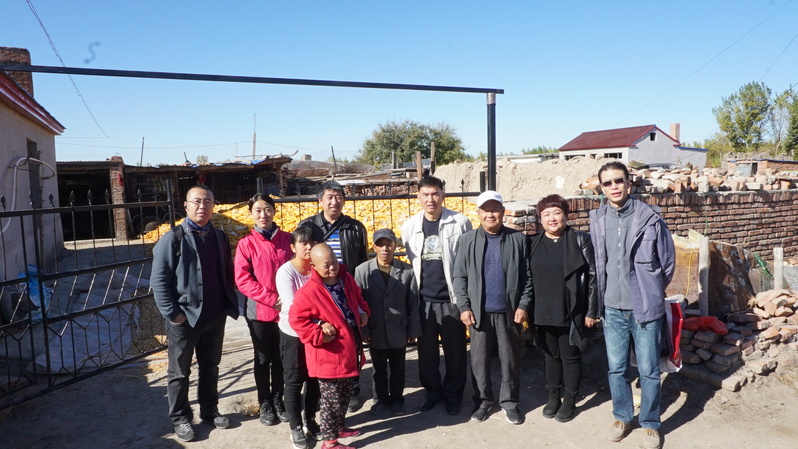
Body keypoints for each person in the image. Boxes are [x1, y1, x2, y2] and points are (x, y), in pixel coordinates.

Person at [589, 161, 675, 449]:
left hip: (644, 308)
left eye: (618, 181)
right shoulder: (597, 219)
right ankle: (622, 416)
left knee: (649, 369)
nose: (613, 187)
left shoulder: (650, 218)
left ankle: (650, 423)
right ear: (601, 188)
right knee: (617, 368)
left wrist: (651, 291)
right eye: (607, 183)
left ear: (629, 183)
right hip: (611, 308)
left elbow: (667, 263)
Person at [152, 185, 240, 442]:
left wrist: (226, 303)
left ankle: (210, 411)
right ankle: (181, 418)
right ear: (186, 205)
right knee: (179, 372)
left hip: (215, 315)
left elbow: (227, 272)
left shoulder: (220, 237)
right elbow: (159, 281)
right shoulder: (173, 239)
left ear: (214, 206)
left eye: (208, 201)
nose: (203, 206)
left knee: (210, 367)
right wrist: (173, 314)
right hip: (185, 318)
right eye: (197, 201)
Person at [452, 191, 532, 425]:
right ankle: (483, 401)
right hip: (478, 313)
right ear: (478, 213)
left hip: (509, 311)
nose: (490, 214)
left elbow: (527, 277)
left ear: (502, 211)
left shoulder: (517, 240)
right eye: (485, 210)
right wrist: (464, 306)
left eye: (495, 209)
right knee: (479, 360)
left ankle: (510, 402)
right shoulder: (468, 240)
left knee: (510, 359)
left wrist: (523, 304)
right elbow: (459, 277)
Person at [400, 175, 472, 415]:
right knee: (427, 353)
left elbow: (465, 260)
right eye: (426, 194)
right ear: (418, 197)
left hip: (451, 299)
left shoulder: (459, 222)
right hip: (424, 301)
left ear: (443, 195)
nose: (430, 199)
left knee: (456, 352)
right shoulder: (409, 226)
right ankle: (432, 392)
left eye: (435, 193)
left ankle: (454, 395)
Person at [289, 244, 370, 449]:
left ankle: (338, 426)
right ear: (314, 266)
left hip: (350, 348)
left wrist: (363, 312)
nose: (332, 267)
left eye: (334, 261)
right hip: (329, 354)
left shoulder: (345, 279)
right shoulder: (309, 291)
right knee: (331, 400)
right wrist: (318, 333)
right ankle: (330, 442)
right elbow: (297, 320)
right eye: (326, 265)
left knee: (345, 393)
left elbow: (358, 298)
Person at [298, 180, 369, 410]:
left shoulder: (355, 228)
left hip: (345, 289)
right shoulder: (308, 226)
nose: (334, 201)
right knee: (328, 342)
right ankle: (324, 390)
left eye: (338, 197)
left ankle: (352, 388)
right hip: (319, 292)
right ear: (320, 200)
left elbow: (361, 262)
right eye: (329, 197)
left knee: (352, 341)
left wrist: (358, 299)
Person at [528, 194, 598, 423]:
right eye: (546, 214)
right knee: (550, 356)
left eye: (557, 213)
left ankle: (570, 399)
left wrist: (591, 311)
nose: (552, 218)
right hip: (542, 310)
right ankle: (553, 396)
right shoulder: (532, 243)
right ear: (540, 219)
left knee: (570, 357)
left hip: (571, 310)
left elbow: (593, 277)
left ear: (566, 216)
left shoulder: (580, 240)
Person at [234, 194, 292, 427]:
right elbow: (243, 280)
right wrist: (271, 298)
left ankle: (278, 399)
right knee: (262, 357)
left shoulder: (288, 240)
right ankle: (265, 402)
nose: (263, 215)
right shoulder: (246, 244)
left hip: (286, 311)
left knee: (281, 357)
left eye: (267, 209)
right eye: (257, 210)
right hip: (259, 311)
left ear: (274, 211)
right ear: (251, 214)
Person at [354, 228, 421, 417]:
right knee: (379, 368)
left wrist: (413, 329)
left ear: (395, 246)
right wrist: (364, 329)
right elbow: (358, 303)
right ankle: (380, 400)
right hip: (375, 329)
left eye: (389, 244)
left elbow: (413, 302)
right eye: (381, 245)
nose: (385, 248)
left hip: (398, 328)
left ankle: (398, 399)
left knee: (399, 367)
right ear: (374, 247)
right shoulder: (362, 271)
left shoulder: (406, 271)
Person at [276, 224, 324, 449]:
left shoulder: (318, 268)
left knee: (314, 378)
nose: (308, 247)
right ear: (293, 247)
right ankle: (295, 426)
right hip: (293, 334)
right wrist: (320, 320)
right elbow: (293, 306)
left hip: (316, 333)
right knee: (294, 381)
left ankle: (310, 421)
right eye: (303, 243)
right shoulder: (286, 272)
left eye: (313, 243)